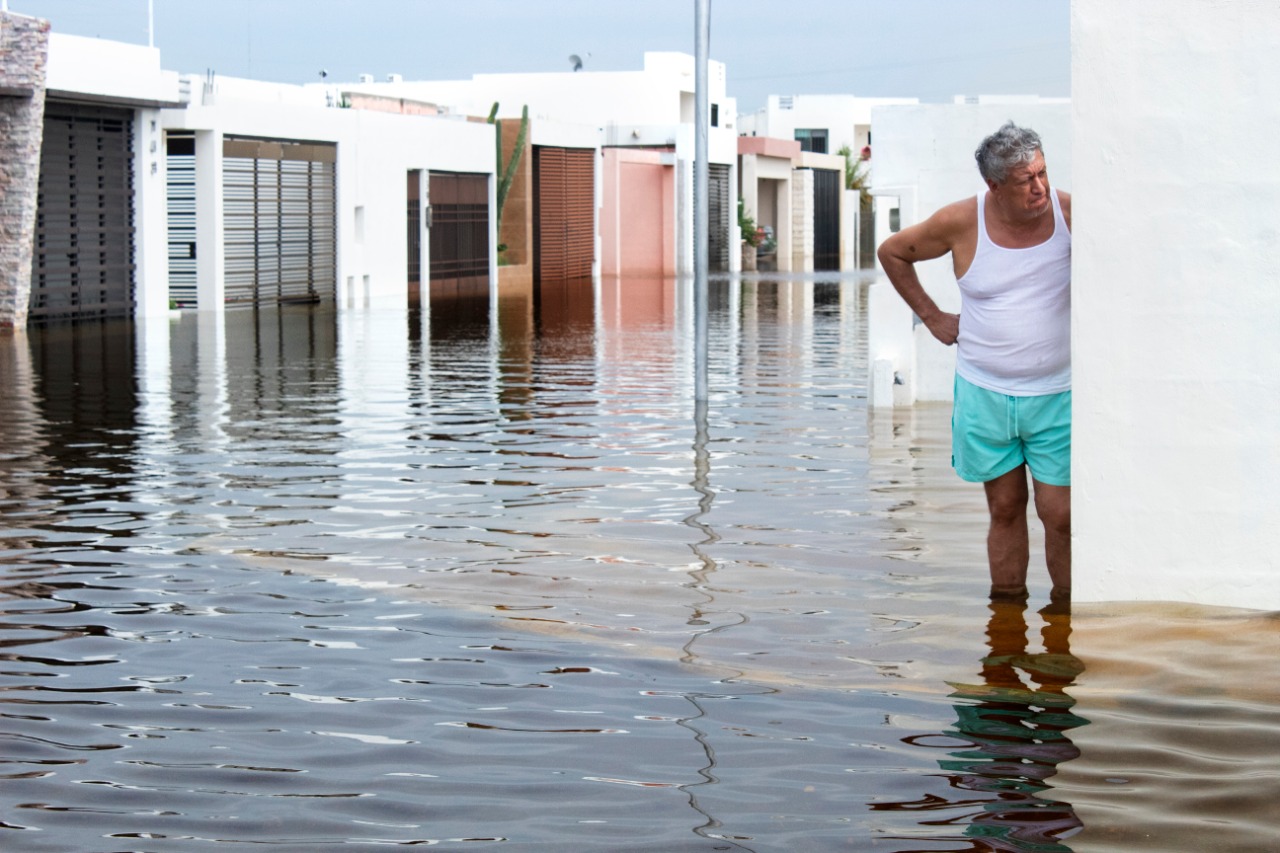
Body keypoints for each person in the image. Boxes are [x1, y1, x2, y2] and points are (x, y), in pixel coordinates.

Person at [877, 122, 1071, 601]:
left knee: (1061, 515)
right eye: (1025, 180)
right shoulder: (961, 221)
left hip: (1059, 394)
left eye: (1042, 172)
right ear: (995, 185)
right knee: (1005, 508)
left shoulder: (1071, 214)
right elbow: (893, 252)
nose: (1039, 187)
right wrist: (932, 316)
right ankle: (1005, 625)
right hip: (985, 392)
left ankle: (1064, 626)